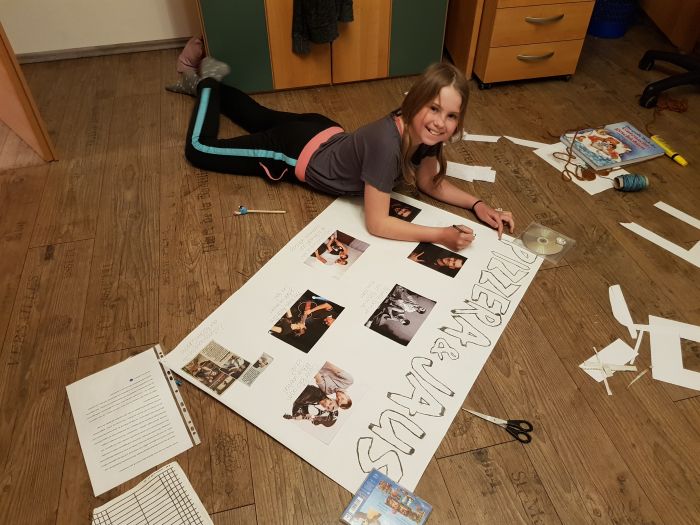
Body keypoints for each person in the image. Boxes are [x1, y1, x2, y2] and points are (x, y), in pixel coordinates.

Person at [173, 46, 514, 251]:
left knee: (259, 116)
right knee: (201, 149)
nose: (441, 123)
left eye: (451, 116)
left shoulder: (424, 135)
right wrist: (440, 235)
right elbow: (377, 223)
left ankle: (211, 83)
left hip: (322, 129)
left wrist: (478, 205)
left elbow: (428, 183)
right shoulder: (387, 143)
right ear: (415, 102)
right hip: (295, 151)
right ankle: (207, 84)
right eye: (435, 109)